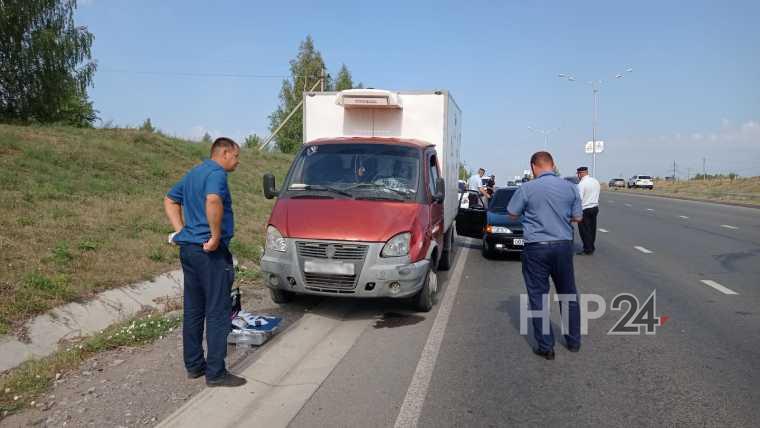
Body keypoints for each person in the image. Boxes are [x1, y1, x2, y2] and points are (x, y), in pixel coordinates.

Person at [163, 137, 246, 387]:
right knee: (218, 310)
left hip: (189, 250)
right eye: (236, 156)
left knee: (194, 308)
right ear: (224, 153)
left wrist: (181, 232)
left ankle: (194, 365)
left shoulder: (194, 173)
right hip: (209, 252)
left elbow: (169, 199)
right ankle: (216, 373)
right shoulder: (216, 174)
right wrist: (215, 235)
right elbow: (213, 200)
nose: (237, 162)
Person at [507, 151, 583, 360]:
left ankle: (546, 347)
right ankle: (574, 341)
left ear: (533, 167)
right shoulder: (570, 187)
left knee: (538, 297)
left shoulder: (527, 188)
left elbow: (512, 213)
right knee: (568, 294)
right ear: (553, 165)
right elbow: (578, 217)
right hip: (563, 246)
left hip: (536, 247)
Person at [576, 166, 600, 255]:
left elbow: (579, 198)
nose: (578, 176)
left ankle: (587, 249)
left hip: (585, 209)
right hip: (595, 207)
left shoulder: (581, 184)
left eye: (578, 174)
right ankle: (591, 246)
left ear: (581, 173)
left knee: (584, 230)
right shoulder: (595, 181)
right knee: (592, 229)